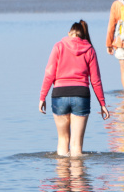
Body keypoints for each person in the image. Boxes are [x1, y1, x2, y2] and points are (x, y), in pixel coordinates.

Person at [39, 20, 111, 157]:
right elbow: (95, 80)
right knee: (76, 145)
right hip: (81, 95)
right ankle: (78, 178)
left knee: (62, 140)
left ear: (69, 33)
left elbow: (49, 74)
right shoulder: (89, 49)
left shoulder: (58, 46)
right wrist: (102, 103)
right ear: (83, 35)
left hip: (59, 95)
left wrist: (42, 97)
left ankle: (62, 176)